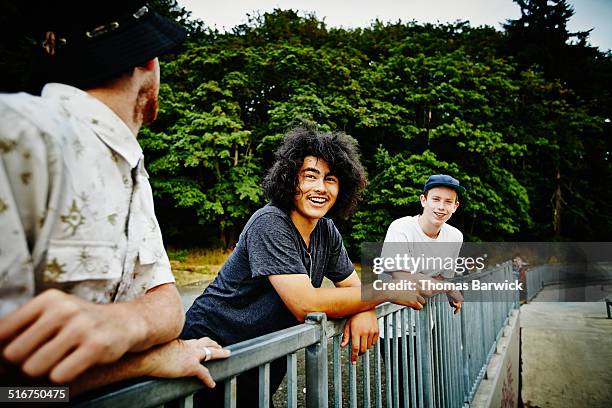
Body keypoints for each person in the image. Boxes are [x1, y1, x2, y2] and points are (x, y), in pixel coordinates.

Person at [0, 0, 228, 394]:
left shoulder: (133, 171)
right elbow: (13, 392)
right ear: (149, 64)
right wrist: (145, 358)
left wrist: (123, 325)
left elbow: (169, 306)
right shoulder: (17, 129)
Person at [181, 125, 431, 406]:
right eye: (310, 176)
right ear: (290, 180)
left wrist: (366, 309)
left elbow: (352, 286)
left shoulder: (326, 231)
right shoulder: (270, 223)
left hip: (257, 363)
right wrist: (386, 290)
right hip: (208, 354)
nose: (320, 188)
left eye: (331, 179)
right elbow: (305, 302)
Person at [379, 173, 466, 404]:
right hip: (393, 323)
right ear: (423, 200)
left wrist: (445, 285)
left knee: (430, 384)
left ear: (455, 207)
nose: (441, 207)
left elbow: (441, 277)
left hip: (426, 321)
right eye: (436, 199)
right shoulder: (401, 228)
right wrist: (447, 288)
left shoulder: (454, 236)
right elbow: (401, 277)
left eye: (448, 202)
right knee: (403, 390)